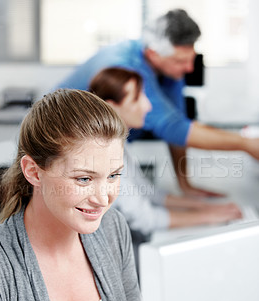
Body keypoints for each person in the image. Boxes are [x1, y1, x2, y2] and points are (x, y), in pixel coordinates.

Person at [0, 89, 141, 301]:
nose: (103, 198)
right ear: (34, 172)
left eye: (113, 175)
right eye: (84, 179)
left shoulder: (113, 229)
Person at [56, 8, 259, 198]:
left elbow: (177, 121)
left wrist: (185, 185)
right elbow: (173, 128)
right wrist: (246, 144)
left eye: (192, 59)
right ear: (154, 54)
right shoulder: (125, 67)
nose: (189, 68)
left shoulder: (168, 68)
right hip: (60, 142)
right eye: (181, 61)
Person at [89, 67, 242, 244]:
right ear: (111, 106)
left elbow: (149, 193)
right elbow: (146, 219)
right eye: (137, 98)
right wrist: (207, 216)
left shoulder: (119, 144)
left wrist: (200, 205)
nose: (147, 105)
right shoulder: (104, 155)